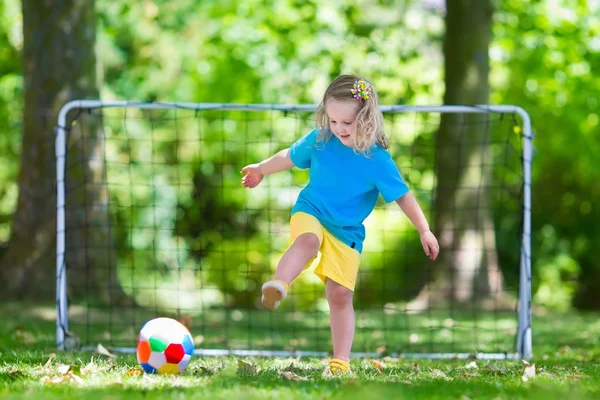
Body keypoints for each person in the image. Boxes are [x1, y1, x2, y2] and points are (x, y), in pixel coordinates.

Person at [240, 74, 439, 374]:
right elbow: (289, 157)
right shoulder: (321, 139)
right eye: (333, 121)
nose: (338, 129)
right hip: (311, 210)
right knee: (307, 242)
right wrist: (261, 169)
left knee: (340, 295)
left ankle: (340, 361)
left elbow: (404, 197)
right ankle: (278, 285)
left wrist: (424, 229)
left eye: (347, 122)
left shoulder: (378, 160)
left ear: (367, 116)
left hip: (346, 232)